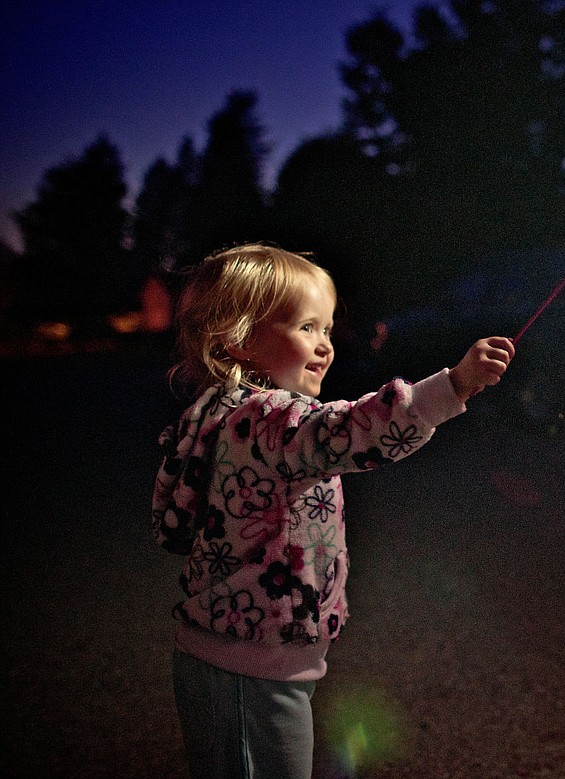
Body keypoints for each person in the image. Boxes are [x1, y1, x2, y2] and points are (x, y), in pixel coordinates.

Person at [151, 243, 514, 778]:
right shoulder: (268, 418)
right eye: (306, 328)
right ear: (240, 340)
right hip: (246, 662)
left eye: (326, 329)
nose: (325, 346)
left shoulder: (220, 415)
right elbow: (351, 431)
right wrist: (453, 385)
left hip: (243, 655)